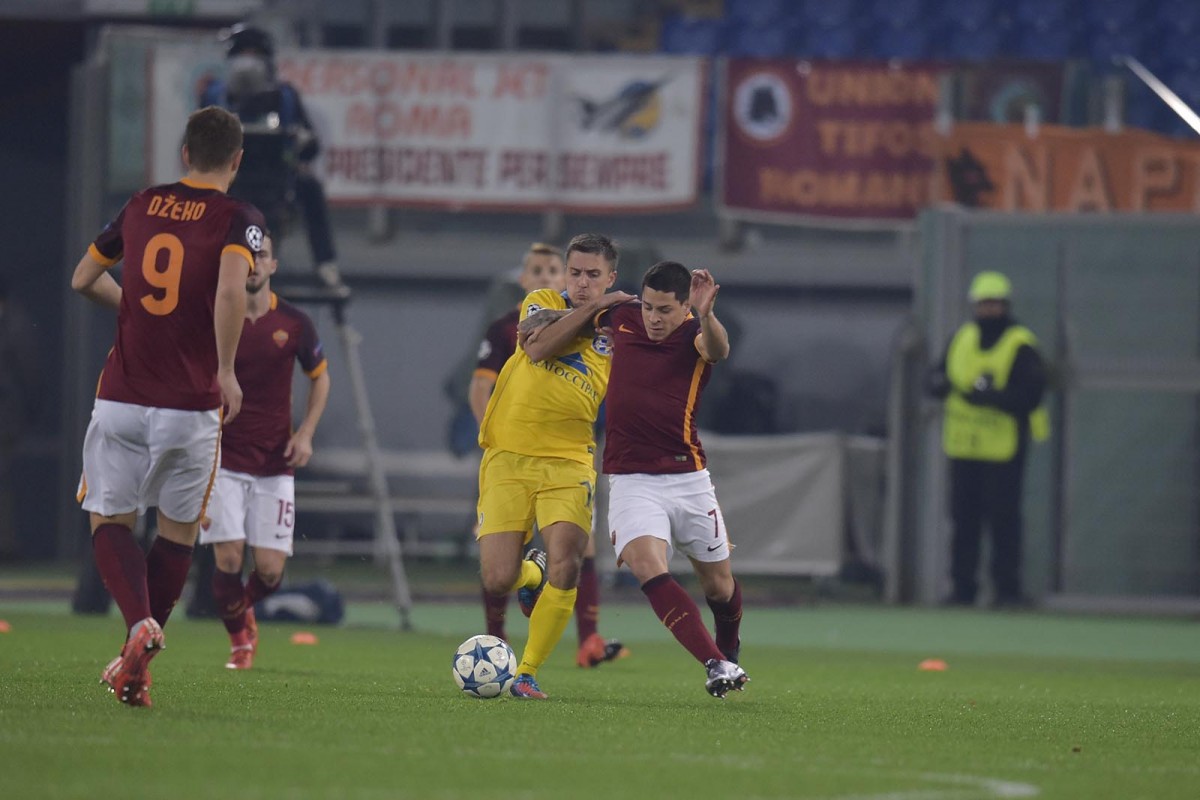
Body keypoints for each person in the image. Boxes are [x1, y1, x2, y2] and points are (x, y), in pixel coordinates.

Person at [71, 106, 262, 706]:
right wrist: (226, 369)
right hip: (191, 405)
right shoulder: (239, 218)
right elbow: (230, 290)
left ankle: (138, 629)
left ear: (184, 154)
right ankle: (139, 657)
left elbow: (83, 278)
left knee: (110, 520)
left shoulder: (141, 204)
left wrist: (133, 306)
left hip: (123, 397)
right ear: (236, 160)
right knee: (177, 533)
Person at [476, 233, 634, 699]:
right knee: (498, 578)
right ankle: (532, 574)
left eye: (593, 276)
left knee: (568, 561)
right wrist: (597, 307)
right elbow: (537, 347)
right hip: (509, 454)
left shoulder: (621, 329)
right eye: (576, 273)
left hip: (569, 459)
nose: (582, 282)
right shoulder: (542, 302)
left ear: (611, 277)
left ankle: (527, 672)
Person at [599, 261, 748, 698]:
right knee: (648, 567)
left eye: (664, 309)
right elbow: (580, 315)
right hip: (631, 479)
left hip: (688, 478)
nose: (653, 318)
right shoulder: (623, 316)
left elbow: (718, 350)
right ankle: (715, 663)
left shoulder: (695, 332)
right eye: (648, 307)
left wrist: (707, 313)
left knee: (719, 587)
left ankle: (728, 649)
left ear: (685, 306)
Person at [200, 231, 330, 669]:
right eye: (248, 256)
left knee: (271, 572)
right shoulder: (217, 315)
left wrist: (306, 433)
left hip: (275, 461)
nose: (254, 264)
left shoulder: (294, 322)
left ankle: (241, 609)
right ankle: (240, 640)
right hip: (222, 457)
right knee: (229, 557)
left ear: (273, 265)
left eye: (263, 256)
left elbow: (320, 377)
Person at [926, 271, 1049, 609]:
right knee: (963, 520)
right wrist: (937, 384)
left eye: (994, 304)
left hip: (1003, 449)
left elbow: (1031, 394)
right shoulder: (962, 338)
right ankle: (962, 589)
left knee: (1004, 521)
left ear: (1005, 306)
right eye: (983, 304)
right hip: (963, 446)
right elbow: (937, 375)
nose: (988, 310)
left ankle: (1007, 591)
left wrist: (993, 398)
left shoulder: (1020, 344)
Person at [198, 23, 342, 291]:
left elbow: (311, 146)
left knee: (311, 188)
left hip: (277, 181)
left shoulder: (285, 97)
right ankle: (196, 265)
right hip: (229, 181)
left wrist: (303, 140)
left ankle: (326, 265)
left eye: (253, 55)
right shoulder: (214, 95)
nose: (247, 63)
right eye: (242, 55)